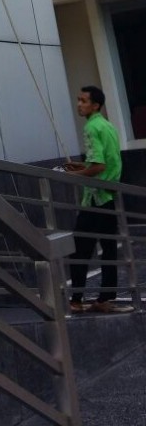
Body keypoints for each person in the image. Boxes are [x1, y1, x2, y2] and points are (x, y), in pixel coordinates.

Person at [65, 86, 131, 314]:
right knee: (109, 249)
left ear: (95, 105)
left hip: (95, 198)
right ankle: (105, 298)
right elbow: (105, 164)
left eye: (83, 101)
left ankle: (76, 299)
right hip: (109, 196)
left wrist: (72, 175)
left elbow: (99, 166)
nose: (79, 104)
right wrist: (82, 166)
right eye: (78, 100)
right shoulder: (107, 125)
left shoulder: (91, 128)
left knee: (80, 249)